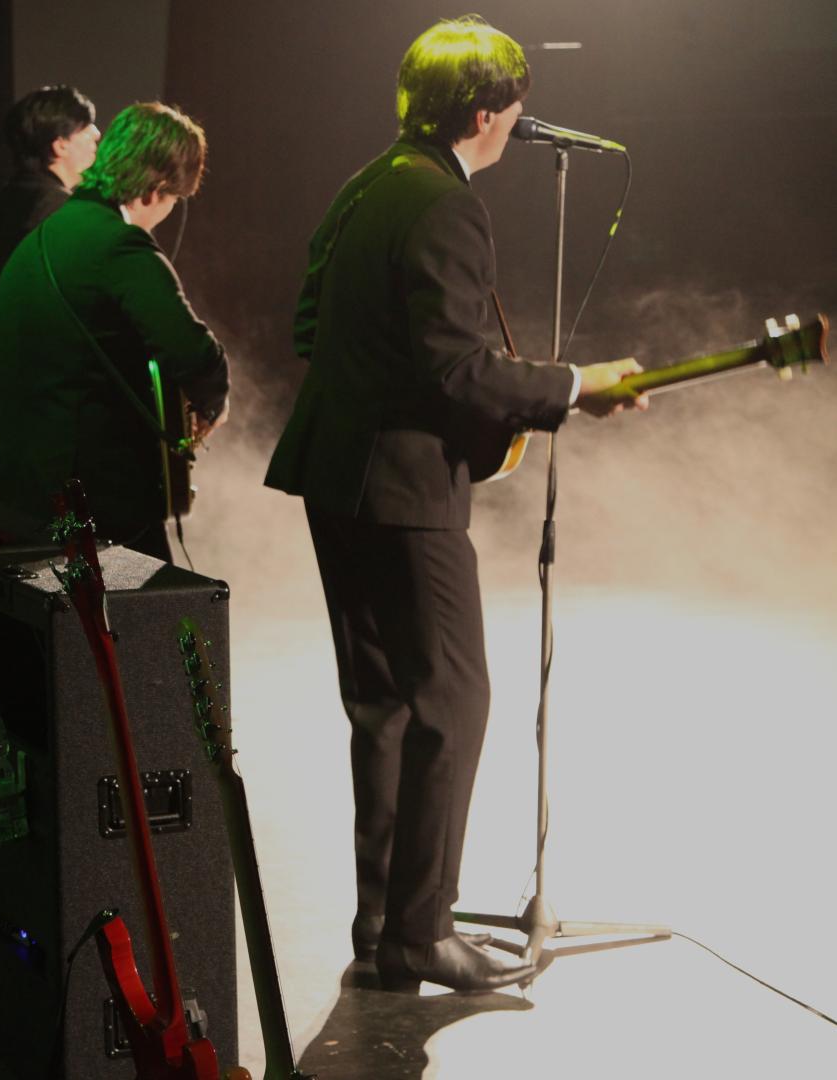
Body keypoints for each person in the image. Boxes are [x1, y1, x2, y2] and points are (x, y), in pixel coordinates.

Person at [263, 17, 647, 993]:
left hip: (333, 475)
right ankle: (421, 933)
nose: (517, 126)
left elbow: (308, 324)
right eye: (512, 109)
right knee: (453, 701)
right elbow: (455, 369)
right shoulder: (444, 203)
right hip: (399, 487)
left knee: (384, 708)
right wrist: (571, 385)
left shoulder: (365, 185)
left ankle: (381, 927)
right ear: (485, 112)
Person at [0, 101, 228, 561]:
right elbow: (195, 355)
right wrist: (212, 403)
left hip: (17, 496)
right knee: (150, 608)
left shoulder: (37, 241)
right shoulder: (120, 246)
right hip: (92, 510)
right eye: (175, 200)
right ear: (155, 190)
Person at [0, 85, 99, 424]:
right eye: (85, 129)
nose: (96, 136)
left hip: (11, 387)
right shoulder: (56, 209)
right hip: (51, 395)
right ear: (59, 145)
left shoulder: (4, 204)